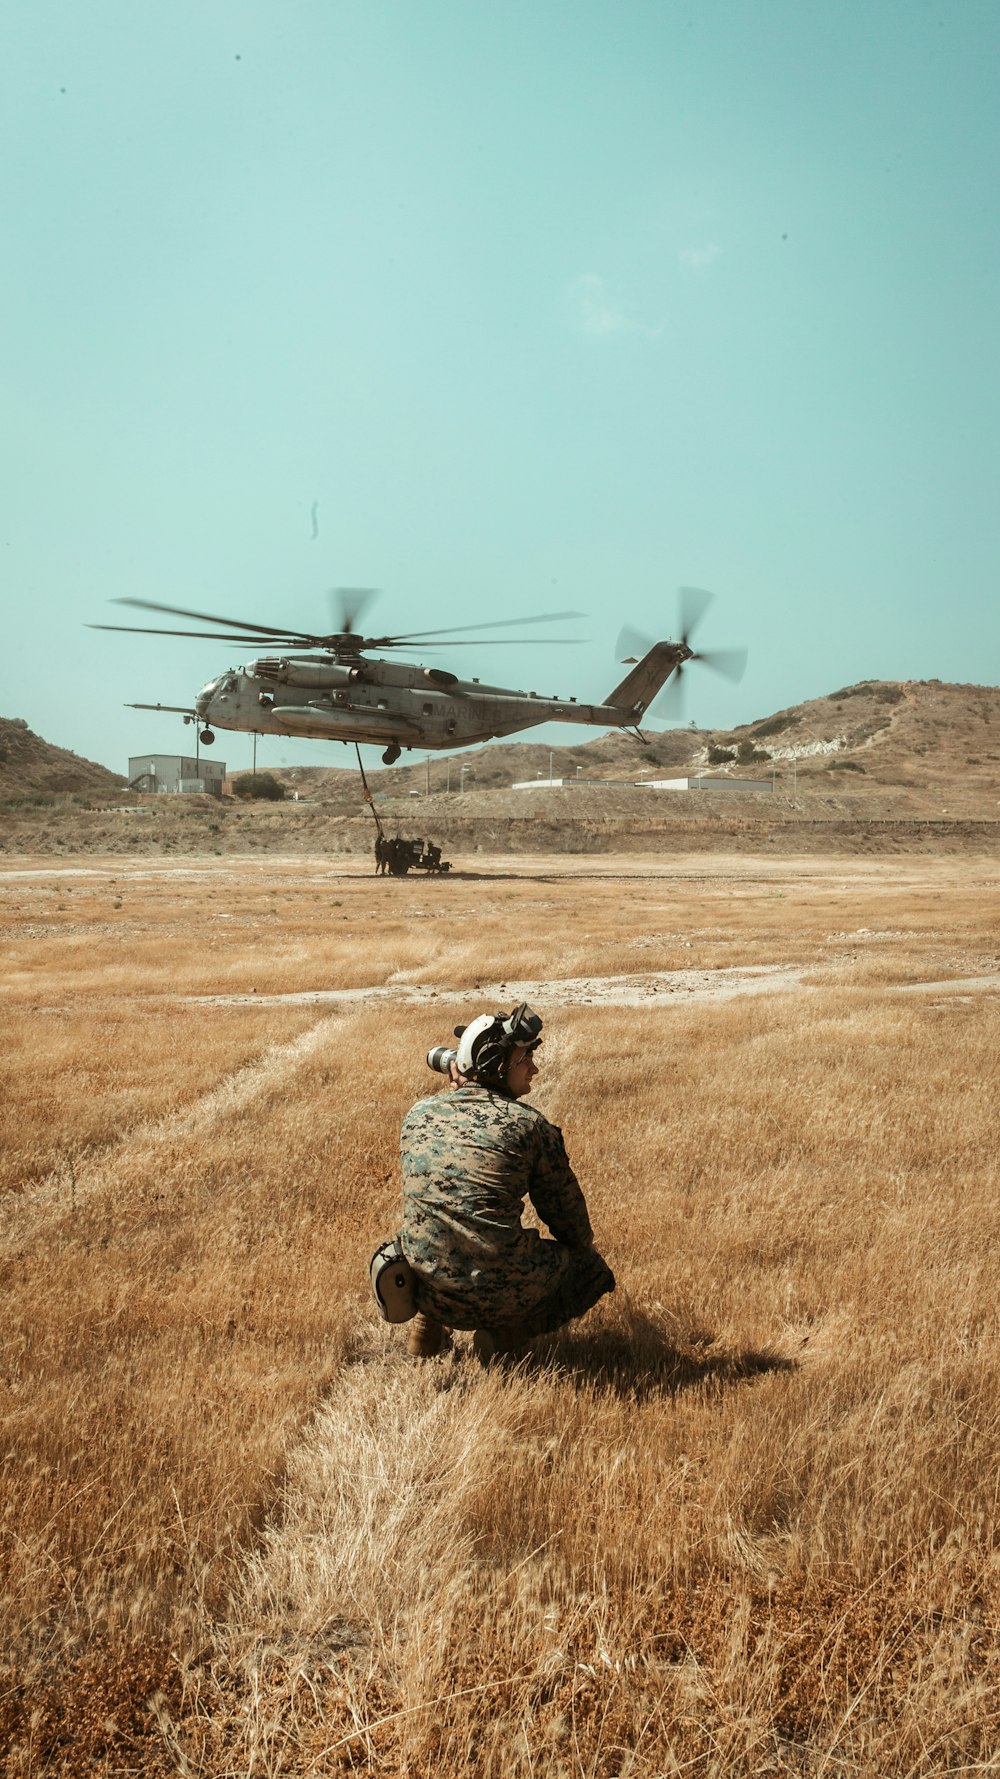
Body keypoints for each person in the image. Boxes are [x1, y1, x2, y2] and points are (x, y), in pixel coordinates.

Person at [397, 1004, 615, 1362]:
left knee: (429, 1226)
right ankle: (507, 1334)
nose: (534, 1068)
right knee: (591, 1269)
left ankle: (427, 1324)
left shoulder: (418, 1114)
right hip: (499, 1296)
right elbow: (573, 1230)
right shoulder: (530, 1127)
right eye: (524, 1060)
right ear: (497, 1066)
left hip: (429, 1288)